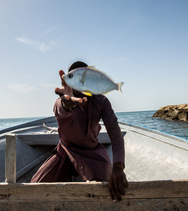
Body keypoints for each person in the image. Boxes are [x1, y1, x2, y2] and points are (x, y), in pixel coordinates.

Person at [31, 61, 128, 202]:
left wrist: (118, 166)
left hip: (93, 153)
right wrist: (67, 104)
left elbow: (114, 131)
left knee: (108, 191)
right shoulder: (62, 101)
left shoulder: (101, 101)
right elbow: (62, 110)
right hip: (65, 151)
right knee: (36, 185)